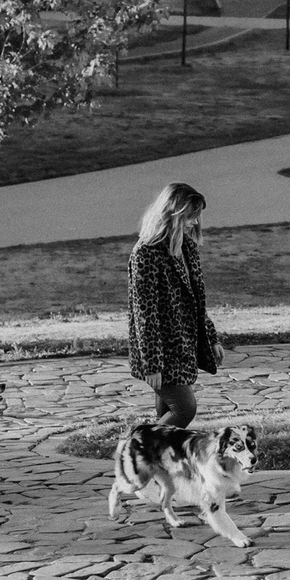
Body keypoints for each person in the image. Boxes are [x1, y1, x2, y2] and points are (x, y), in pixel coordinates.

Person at [127, 181, 222, 428]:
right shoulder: (145, 254)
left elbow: (196, 301)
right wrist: (152, 364)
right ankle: (138, 448)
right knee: (184, 409)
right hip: (160, 352)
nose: (195, 222)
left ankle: (159, 464)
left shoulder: (186, 247)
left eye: (197, 216)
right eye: (190, 216)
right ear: (173, 214)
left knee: (167, 416)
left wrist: (211, 338)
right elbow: (144, 315)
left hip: (182, 349)